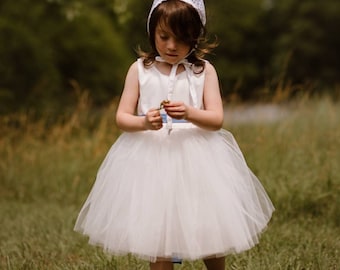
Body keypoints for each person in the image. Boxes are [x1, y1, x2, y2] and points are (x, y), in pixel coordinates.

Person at [74, 0, 275, 269]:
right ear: (152, 33)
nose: (171, 46)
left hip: (199, 159)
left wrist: (190, 113)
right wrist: (144, 122)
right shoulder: (139, 71)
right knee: (158, 232)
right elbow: (122, 117)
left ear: (195, 37)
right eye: (164, 37)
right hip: (151, 160)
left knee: (208, 225)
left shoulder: (203, 71)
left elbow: (216, 119)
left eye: (181, 38)